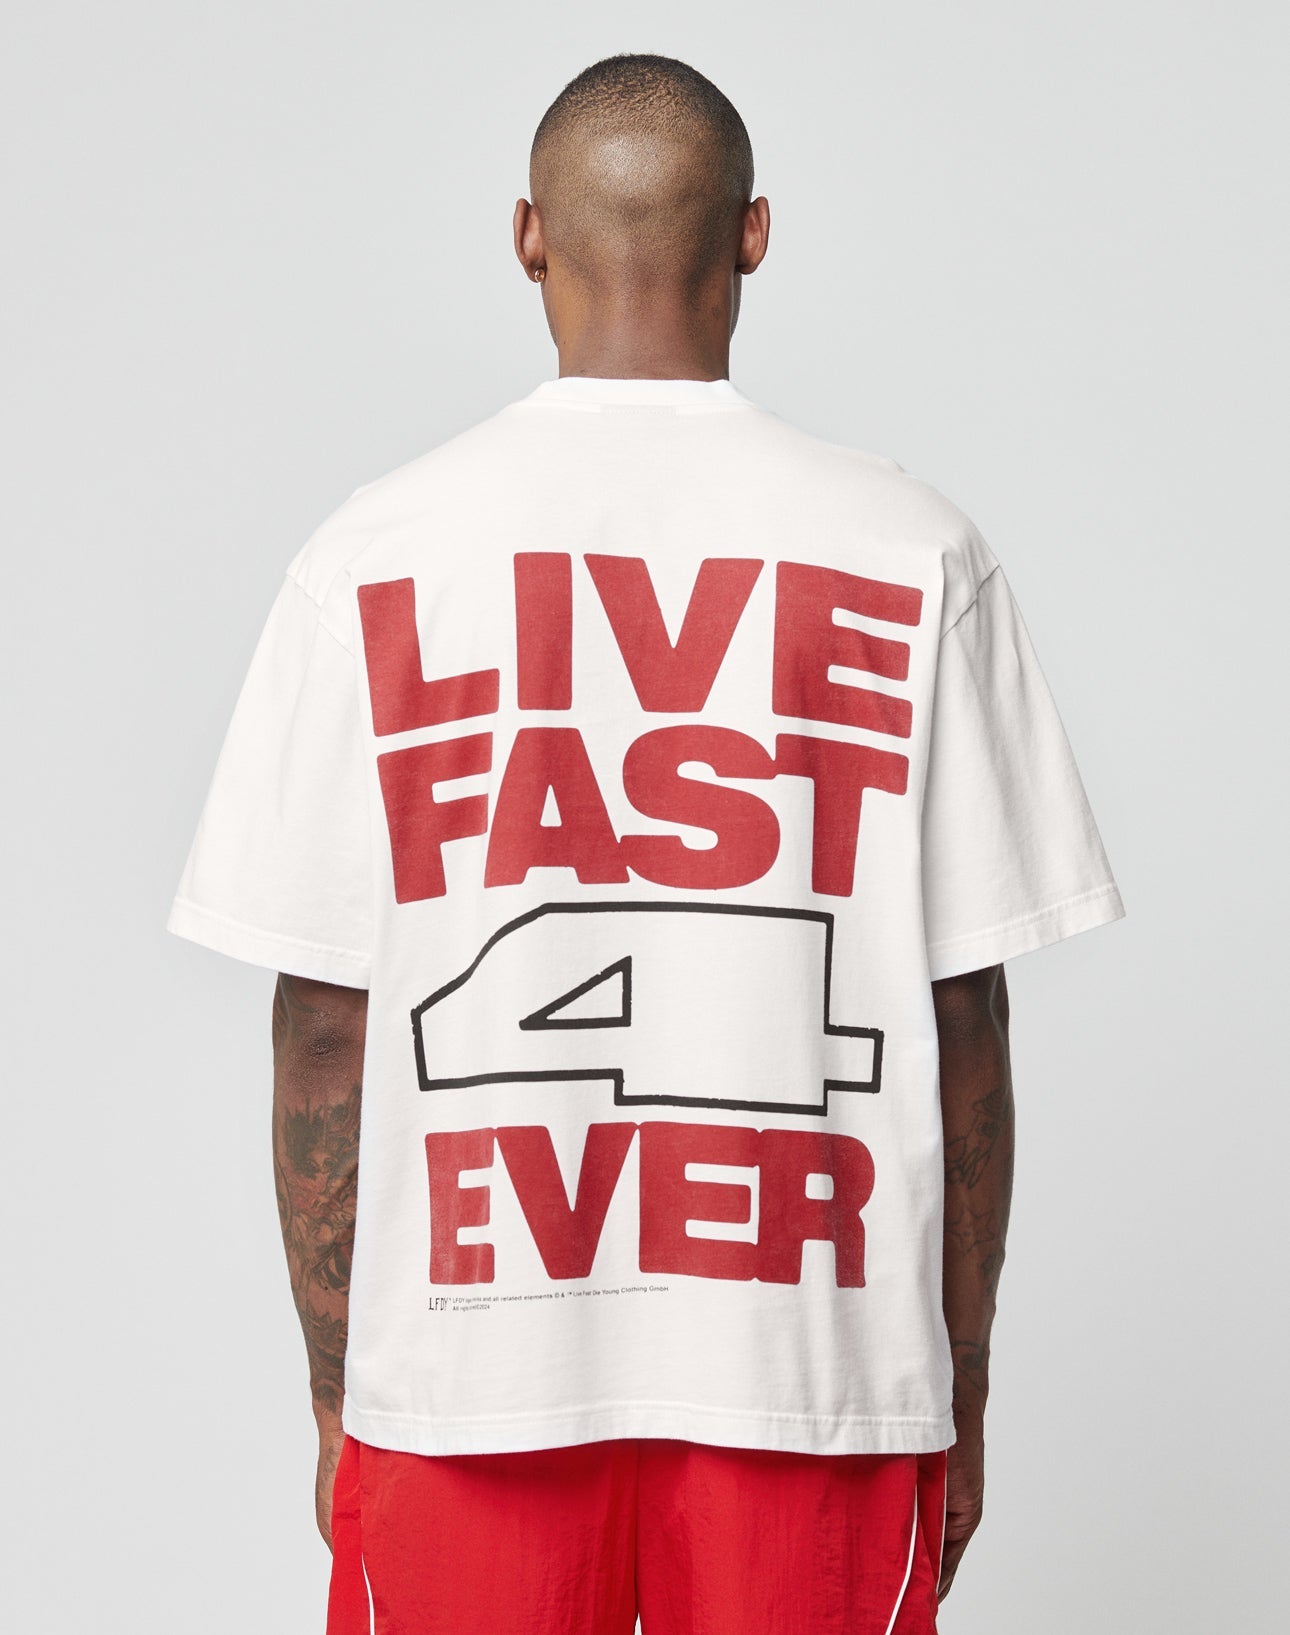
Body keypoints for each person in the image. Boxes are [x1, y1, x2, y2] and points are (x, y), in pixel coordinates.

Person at [169, 52, 1124, 1635]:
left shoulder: (374, 556)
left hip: (468, 1369)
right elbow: (963, 1019)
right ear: (751, 233)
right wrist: (955, 1381)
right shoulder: (912, 549)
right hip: (812, 1367)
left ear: (527, 236)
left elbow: (326, 1026)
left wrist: (341, 1393)